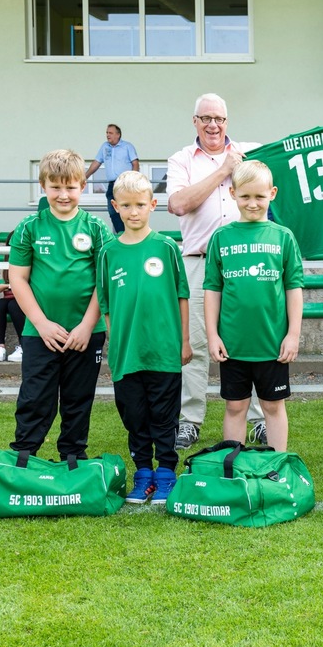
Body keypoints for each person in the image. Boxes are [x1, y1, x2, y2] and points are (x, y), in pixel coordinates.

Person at [166, 93, 323, 450]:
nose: (213, 125)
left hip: (261, 263)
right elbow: (178, 204)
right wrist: (224, 170)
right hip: (202, 259)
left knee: (263, 345)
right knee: (199, 345)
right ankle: (191, 419)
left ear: (227, 121)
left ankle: (261, 422)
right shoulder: (182, 159)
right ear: (194, 121)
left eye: (220, 118)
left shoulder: (252, 150)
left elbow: (299, 154)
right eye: (206, 118)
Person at [9, 149, 114, 461]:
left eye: (70, 187)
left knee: (78, 398)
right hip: (40, 332)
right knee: (35, 396)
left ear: (82, 186)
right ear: (43, 186)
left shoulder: (96, 228)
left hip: (86, 332)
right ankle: (25, 455)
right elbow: (18, 279)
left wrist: (85, 325)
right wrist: (41, 323)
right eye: (56, 187)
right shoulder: (30, 227)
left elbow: (103, 281)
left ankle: (73, 456)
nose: (63, 194)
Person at [97, 170, 191, 505]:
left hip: (164, 350)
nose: (133, 211)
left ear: (152, 204)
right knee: (134, 415)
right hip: (127, 353)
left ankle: (166, 473)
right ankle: (143, 474)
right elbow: (106, 303)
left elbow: (182, 294)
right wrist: (115, 340)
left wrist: (184, 341)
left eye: (139, 204)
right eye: (126, 205)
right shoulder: (108, 252)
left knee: (164, 416)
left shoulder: (166, 247)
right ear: (115, 207)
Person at [204, 160, 304, 452]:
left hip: (272, 344)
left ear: (272, 193)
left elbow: (293, 289)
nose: (252, 203)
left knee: (273, 407)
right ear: (233, 193)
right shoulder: (221, 238)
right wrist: (213, 335)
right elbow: (212, 289)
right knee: (235, 407)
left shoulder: (282, 237)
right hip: (233, 344)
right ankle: (232, 467)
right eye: (245, 196)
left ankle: (278, 464)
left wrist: (293, 334)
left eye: (259, 196)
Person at [86, 123, 140, 234]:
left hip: (125, 183)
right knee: (113, 210)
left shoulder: (127, 146)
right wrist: (84, 176)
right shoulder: (104, 147)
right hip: (112, 184)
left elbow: (135, 164)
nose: (107, 135)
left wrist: (133, 180)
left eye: (110, 133)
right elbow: (97, 162)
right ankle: (121, 234)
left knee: (126, 208)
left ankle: (130, 233)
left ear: (118, 135)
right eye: (107, 132)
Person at [0, 231, 25, 363]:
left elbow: (29, 281)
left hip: (29, 297)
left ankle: (24, 346)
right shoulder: (8, 260)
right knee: (0, 304)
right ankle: (0, 346)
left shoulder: (29, 257)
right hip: (14, 296)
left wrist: (7, 286)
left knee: (13, 306)